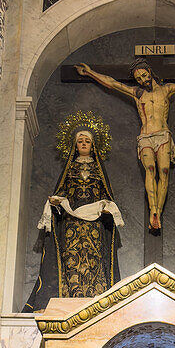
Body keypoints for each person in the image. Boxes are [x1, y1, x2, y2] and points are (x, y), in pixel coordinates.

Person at [75, 58, 175, 231]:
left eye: (144, 75)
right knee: (150, 170)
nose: (143, 80)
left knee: (164, 172)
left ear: (149, 71)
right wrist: (89, 72)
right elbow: (112, 83)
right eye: (139, 79)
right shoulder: (137, 93)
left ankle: (159, 211)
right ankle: (153, 211)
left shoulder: (166, 90)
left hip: (163, 136)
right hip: (146, 137)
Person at [24, 127, 123, 310]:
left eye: (87, 141)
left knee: (93, 258)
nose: (84, 144)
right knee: (71, 256)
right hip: (72, 222)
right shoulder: (70, 169)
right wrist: (56, 201)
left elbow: (106, 194)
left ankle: (95, 297)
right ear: (75, 145)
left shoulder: (98, 170)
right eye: (80, 141)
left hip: (94, 224)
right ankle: (72, 294)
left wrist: (107, 209)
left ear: (93, 146)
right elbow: (62, 191)